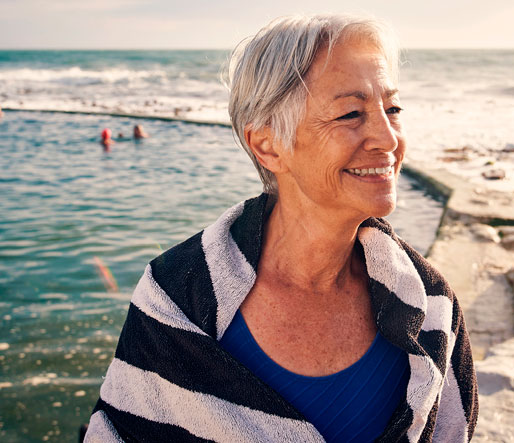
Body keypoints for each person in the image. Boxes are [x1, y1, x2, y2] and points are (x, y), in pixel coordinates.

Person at [85, 14, 478, 442]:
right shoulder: (177, 298)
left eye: (393, 108)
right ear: (267, 145)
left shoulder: (430, 304)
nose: (387, 138)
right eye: (350, 113)